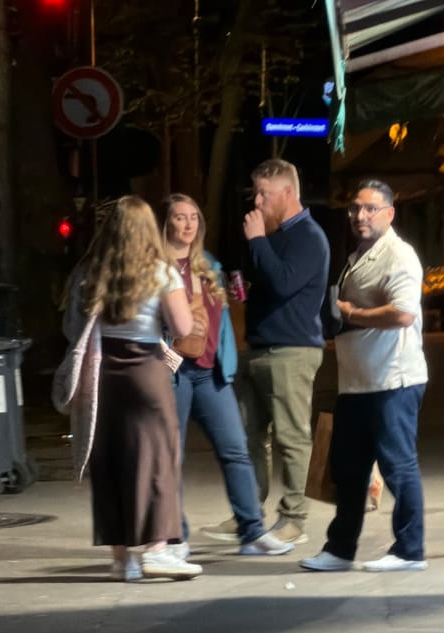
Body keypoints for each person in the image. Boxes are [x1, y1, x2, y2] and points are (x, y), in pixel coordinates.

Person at [62, 195, 201, 581]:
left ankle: (122, 560)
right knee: (157, 456)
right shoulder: (161, 271)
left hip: (102, 373)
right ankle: (157, 549)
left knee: (110, 461)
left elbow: (71, 327)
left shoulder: (89, 272)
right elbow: (183, 327)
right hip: (146, 372)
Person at [299, 179, 428, 572]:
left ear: (390, 213)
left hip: (392, 380)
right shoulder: (358, 254)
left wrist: (352, 314)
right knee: (348, 469)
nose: (361, 215)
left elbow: (403, 313)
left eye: (371, 208)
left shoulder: (399, 255)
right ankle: (340, 550)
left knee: (397, 466)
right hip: (356, 381)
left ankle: (410, 551)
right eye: (356, 208)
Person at [203, 159, 330, 546]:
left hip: (292, 350)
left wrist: (257, 241)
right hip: (260, 347)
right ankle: (249, 514)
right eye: (255, 193)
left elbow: (283, 283)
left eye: (264, 193)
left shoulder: (309, 236)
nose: (256, 202)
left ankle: (294, 518)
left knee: (292, 437)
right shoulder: (275, 235)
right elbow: (268, 284)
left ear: (288, 193)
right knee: (250, 437)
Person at [159, 193, 294, 556]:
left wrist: (227, 356)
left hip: (210, 373)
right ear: (166, 223)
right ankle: (174, 538)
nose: (188, 224)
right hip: (174, 373)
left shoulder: (209, 264)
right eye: (180, 217)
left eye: (193, 217)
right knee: (170, 458)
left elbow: (219, 319)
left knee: (236, 450)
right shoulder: (156, 267)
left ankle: (252, 533)